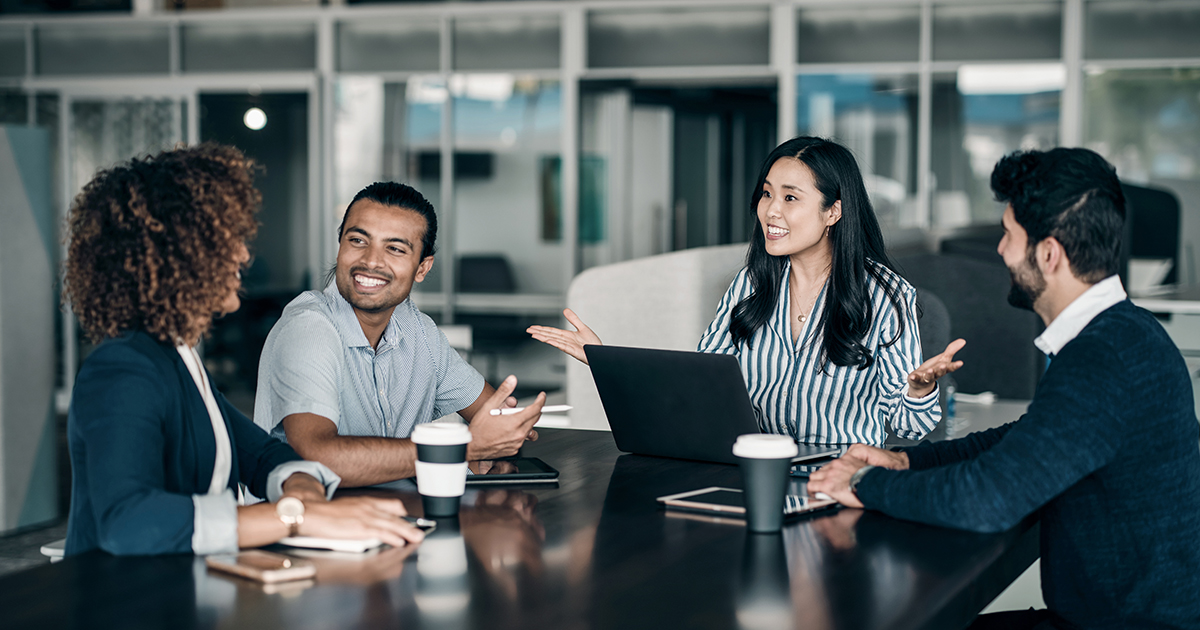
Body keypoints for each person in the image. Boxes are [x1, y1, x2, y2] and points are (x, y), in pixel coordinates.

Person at [808, 148, 1200, 630]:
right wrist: (908, 459)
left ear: (1050, 254)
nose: (1000, 251)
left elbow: (987, 500)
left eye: (1010, 236)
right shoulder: (1124, 332)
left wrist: (864, 484)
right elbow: (1029, 434)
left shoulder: (1105, 357)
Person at [63, 144, 425, 556]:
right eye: (225, 241)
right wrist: (296, 518)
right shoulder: (123, 368)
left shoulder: (178, 361)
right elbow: (127, 522)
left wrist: (298, 486)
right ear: (178, 257)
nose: (242, 253)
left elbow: (260, 454)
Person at [529, 136, 964, 445]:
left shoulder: (885, 295)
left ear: (833, 212)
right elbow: (698, 389)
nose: (771, 210)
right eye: (767, 194)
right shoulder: (751, 284)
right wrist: (606, 361)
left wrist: (920, 389)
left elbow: (909, 427)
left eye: (791, 198)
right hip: (748, 476)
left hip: (838, 487)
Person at [254, 182, 545, 487]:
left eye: (394, 248)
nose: (371, 261)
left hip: (396, 516)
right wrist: (463, 449)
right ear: (340, 245)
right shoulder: (309, 328)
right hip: (303, 525)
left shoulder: (418, 330)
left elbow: (497, 422)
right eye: (357, 240)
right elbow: (321, 457)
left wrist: (501, 436)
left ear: (422, 268)